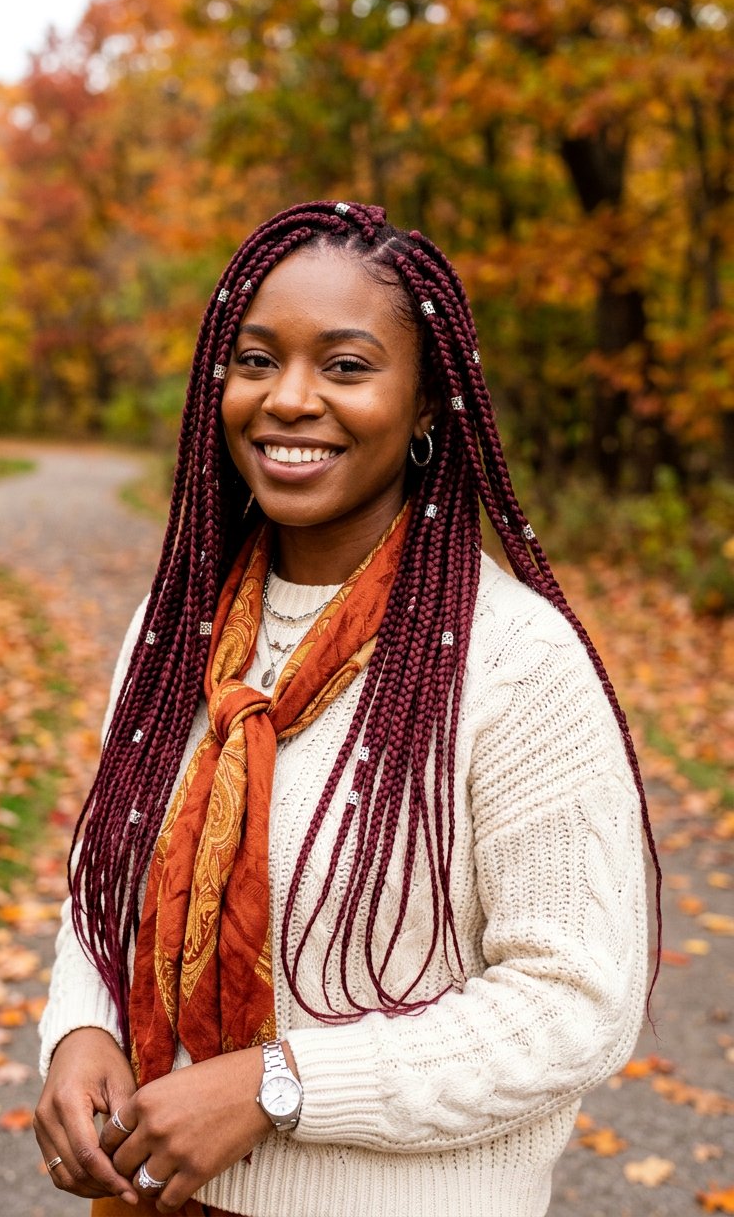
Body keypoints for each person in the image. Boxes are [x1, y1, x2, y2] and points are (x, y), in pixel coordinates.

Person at [33, 200, 659, 1217]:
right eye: (256, 360)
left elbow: (573, 1003)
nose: (288, 398)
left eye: (346, 366)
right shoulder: (174, 629)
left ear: (426, 404)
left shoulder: (515, 662)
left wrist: (279, 1085)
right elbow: (108, 876)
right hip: (155, 1195)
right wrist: (79, 1027)